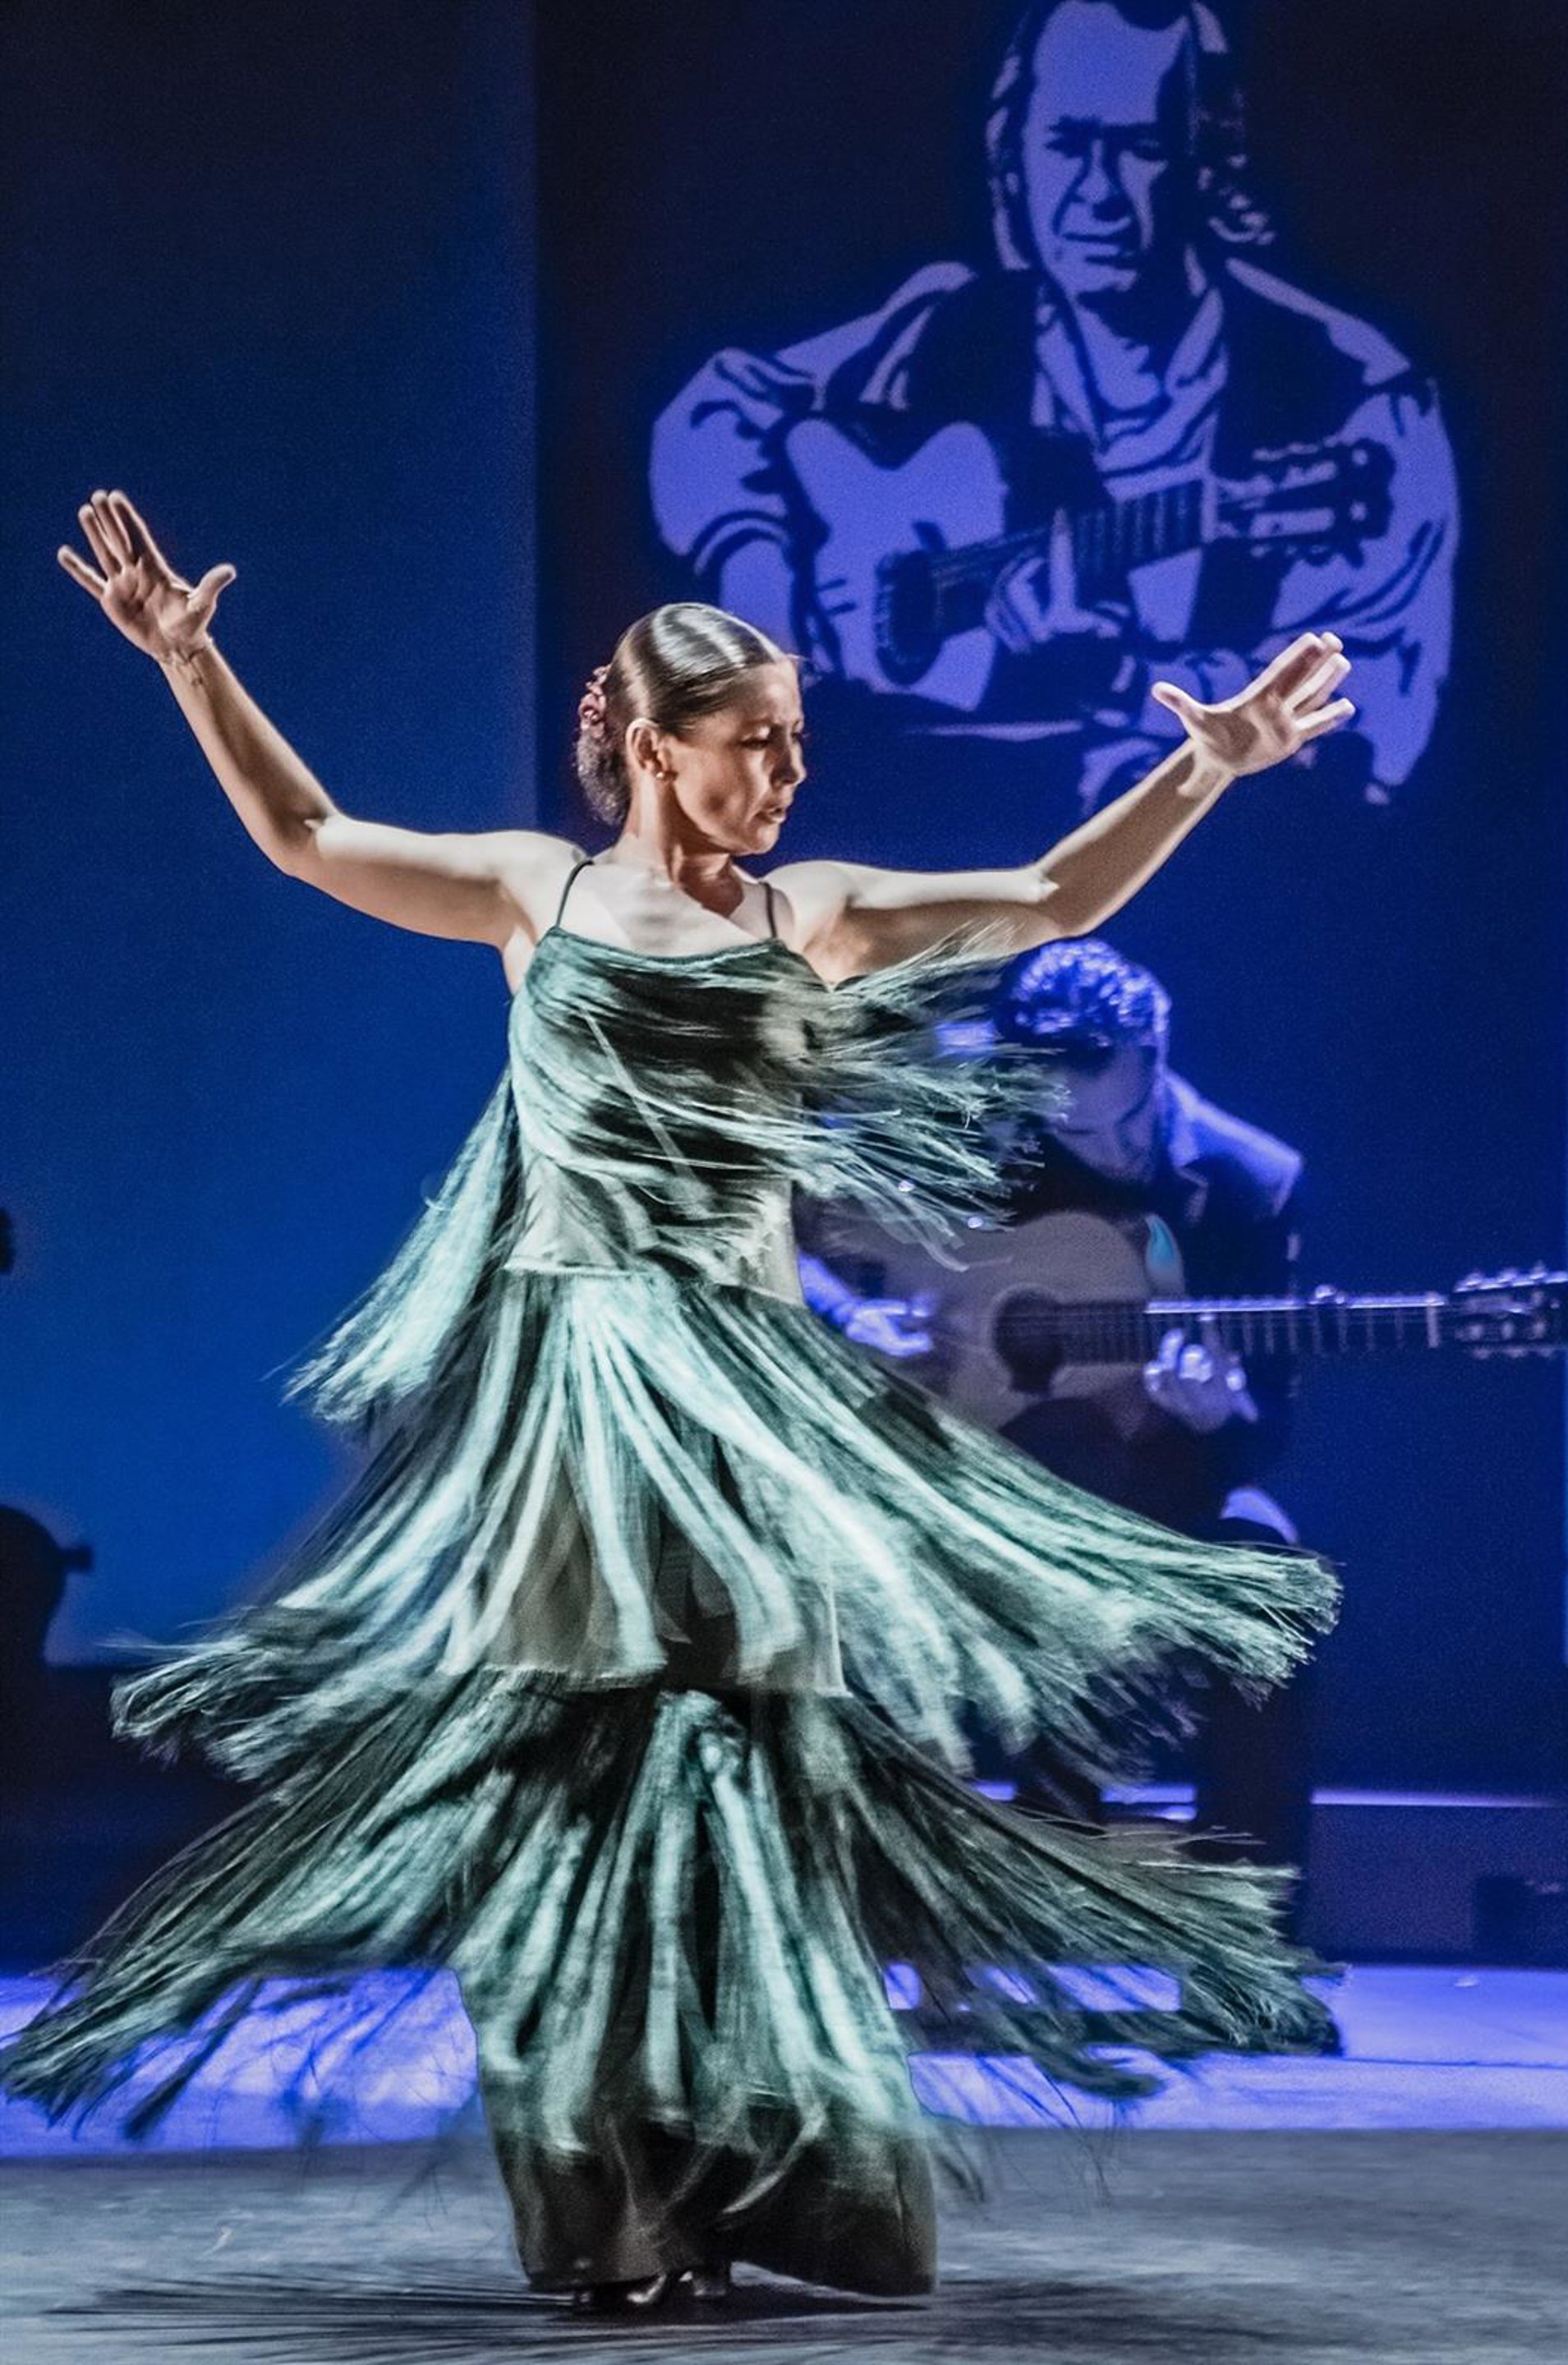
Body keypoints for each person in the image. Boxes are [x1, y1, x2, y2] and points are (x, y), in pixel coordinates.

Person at [2, 487, 1351, 2313]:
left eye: (797, 739)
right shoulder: (536, 894)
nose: (788, 769)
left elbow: (1048, 896)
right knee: (578, 1806)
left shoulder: (817, 915)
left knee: (751, 1801)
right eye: (755, 740)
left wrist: (1208, 768)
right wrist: (191, 661)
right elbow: (309, 835)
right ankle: (616, 2215)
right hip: (577, 1409)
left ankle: (757, 2190)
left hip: (748, 1410)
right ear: (653, 745)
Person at [650, 0, 1455, 818]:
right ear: (1013, 162)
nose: (1097, 194)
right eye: (1066, 145)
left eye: (1141, 149)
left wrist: (1119, 683)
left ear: (1207, 167)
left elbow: (1374, 739)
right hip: (927, 846)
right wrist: (765, 594)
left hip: (1233, 866)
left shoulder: (1352, 400)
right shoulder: (941, 326)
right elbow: (708, 418)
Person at [798, 938, 1324, 1953]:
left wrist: (1215, 1413)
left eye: (1111, 1098)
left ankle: (1248, 1957)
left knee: (1276, 1587)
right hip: (964, 1490)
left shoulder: (1248, 1183)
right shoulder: (964, 1110)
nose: (1089, 1127)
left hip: (1160, 1502)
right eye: (1057, 1102)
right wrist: (855, 1318)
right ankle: (880, 1922)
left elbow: (1265, 1433)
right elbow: (776, 1216)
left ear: (1153, 1059)